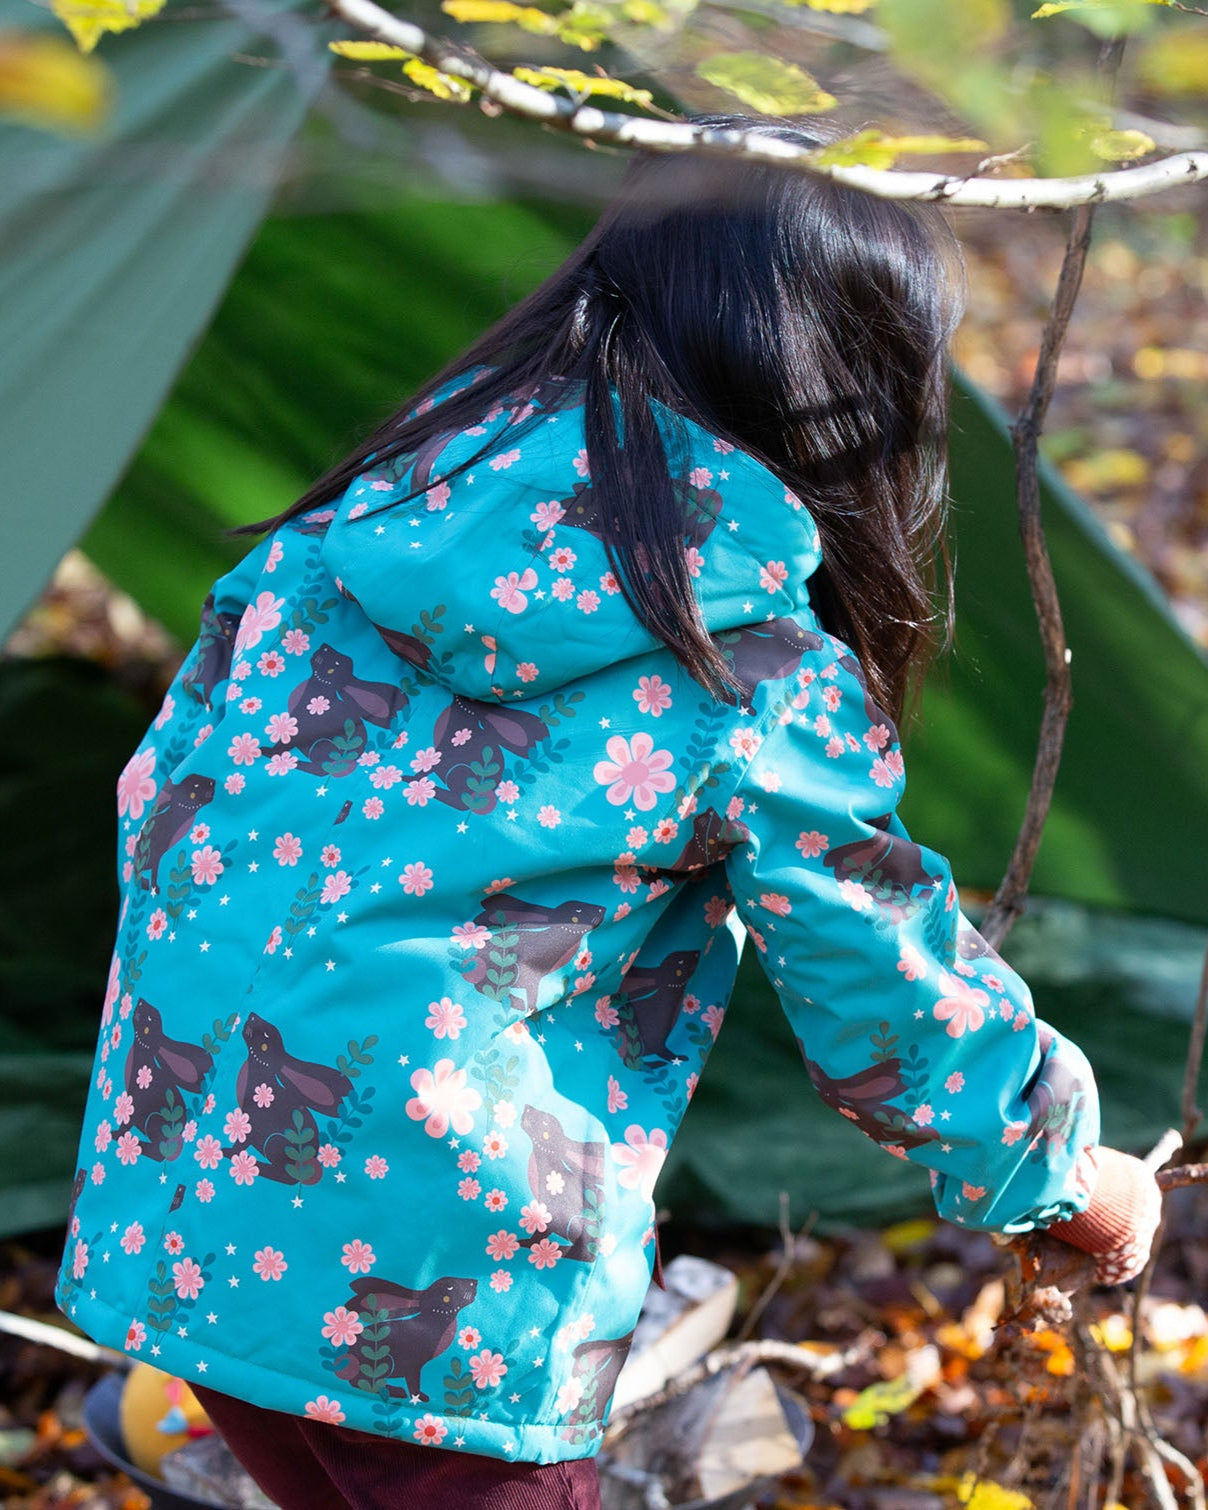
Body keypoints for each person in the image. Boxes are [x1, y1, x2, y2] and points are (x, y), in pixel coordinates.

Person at [57, 114, 1162, 1510]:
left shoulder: (344, 531)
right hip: (437, 1303)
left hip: (186, 1226)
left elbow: (156, 797)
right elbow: (882, 978)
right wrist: (1066, 1169)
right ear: (845, 388)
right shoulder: (738, 649)